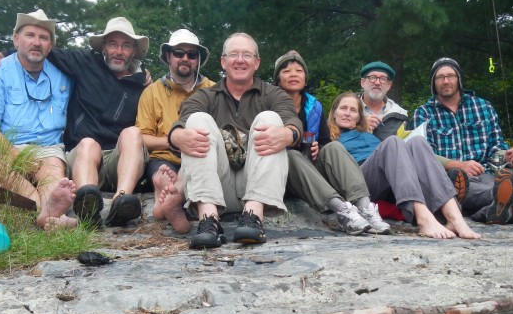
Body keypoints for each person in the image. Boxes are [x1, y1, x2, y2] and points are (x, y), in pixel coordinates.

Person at [0, 17, 150, 227]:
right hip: (83, 155)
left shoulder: (143, 84)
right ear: (103, 47)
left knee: (133, 133)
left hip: (116, 160)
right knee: (88, 143)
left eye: (126, 45)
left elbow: (150, 127)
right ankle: (88, 209)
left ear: (134, 50)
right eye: (113, 44)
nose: (119, 51)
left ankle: (120, 202)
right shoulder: (84, 63)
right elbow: (34, 52)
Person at [168, 33, 303, 249]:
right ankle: (209, 221)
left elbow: (292, 120)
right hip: (220, 187)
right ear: (223, 62)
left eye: (247, 55)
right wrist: (177, 136)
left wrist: (289, 134)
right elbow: (183, 120)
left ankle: (253, 217)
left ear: (256, 62)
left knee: (270, 119)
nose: (240, 60)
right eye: (233, 55)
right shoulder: (205, 96)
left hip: (258, 183)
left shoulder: (273, 93)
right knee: (197, 120)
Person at [0, 9, 77, 231]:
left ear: (51, 45)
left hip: (47, 148)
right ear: (16, 40)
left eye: (43, 38)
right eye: (30, 35)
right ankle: (45, 212)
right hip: (0, 149)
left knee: (54, 166)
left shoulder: (65, 74)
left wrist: (140, 75)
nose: (36, 42)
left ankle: (49, 211)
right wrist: (18, 158)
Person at [329, 92, 481, 239]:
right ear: (334, 113)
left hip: (389, 179)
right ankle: (423, 217)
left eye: (353, 110)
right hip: (360, 183)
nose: (348, 113)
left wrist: (449, 163)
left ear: (358, 118)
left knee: (418, 142)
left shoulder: (369, 136)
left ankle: (454, 217)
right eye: (343, 108)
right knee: (392, 142)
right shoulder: (326, 136)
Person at [272, 50, 390, 234]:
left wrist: (317, 147)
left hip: (311, 169)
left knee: (334, 146)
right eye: (286, 71)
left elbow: (326, 142)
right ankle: (342, 211)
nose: (293, 74)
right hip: (284, 171)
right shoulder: (268, 102)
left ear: (305, 77)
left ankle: (365, 208)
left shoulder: (313, 106)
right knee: (292, 155)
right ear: (278, 78)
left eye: (299, 71)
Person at [412, 57, 513, 224]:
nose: (445, 81)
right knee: (474, 187)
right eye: (440, 77)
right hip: (449, 179)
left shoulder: (483, 107)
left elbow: (495, 151)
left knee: (496, 183)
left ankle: (501, 208)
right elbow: (423, 156)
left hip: (484, 173)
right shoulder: (423, 114)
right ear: (433, 82)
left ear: (459, 79)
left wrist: (507, 156)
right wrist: (457, 164)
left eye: (451, 75)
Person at [136, 29, 215, 234]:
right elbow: (142, 137)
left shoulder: (213, 89)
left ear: (198, 60)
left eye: (192, 54)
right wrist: (175, 141)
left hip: (201, 156)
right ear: (168, 57)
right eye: (179, 53)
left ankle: (164, 203)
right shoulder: (151, 92)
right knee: (160, 170)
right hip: (164, 157)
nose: (185, 58)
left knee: (177, 172)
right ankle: (168, 195)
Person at [359, 60, 469, 204]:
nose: (377, 82)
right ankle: (437, 206)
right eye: (372, 77)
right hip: (358, 176)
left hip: (391, 182)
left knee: (413, 144)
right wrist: (359, 123)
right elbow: (332, 138)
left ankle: (444, 207)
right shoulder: (347, 109)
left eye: (383, 79)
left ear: (389, 85)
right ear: (362, 82)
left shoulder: (401, 117)